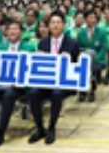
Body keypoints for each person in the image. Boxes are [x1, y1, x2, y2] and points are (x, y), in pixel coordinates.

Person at [0, 21, 35, 148]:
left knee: (8, 95)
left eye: (15, 29)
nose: (13, 32)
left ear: (21, 32)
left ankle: (0, 132)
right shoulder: (0, 47)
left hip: (17, 86)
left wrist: (19, 81)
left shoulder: (29, 47)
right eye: (10, 29)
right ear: (6, 32)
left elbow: (29, 69)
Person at [28, 10, 80, 145]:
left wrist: (69, 60)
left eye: (58, 22)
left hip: (63, 83)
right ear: (49, 25)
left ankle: (51, 128)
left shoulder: (72, 43)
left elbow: (77, 68)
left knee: (57, 93)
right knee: (33, 93)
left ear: (64, 25)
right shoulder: (43, 43)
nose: (55, 25)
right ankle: (40, 128)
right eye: (52, 22)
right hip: (46, 82)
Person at [76, 9, 108, 102]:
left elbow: (104, 48)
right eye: (90, 18)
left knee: (92, 68)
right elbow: (78, 47)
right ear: (85, 19)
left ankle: (92, 90)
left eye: (94, 18)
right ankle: (82, 91)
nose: (93, 20)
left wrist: (96, 58)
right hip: (85, 59)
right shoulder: (81, 32)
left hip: (98, 59)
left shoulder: (101, 31)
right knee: (83, 67)